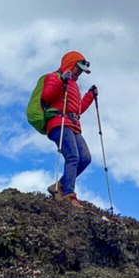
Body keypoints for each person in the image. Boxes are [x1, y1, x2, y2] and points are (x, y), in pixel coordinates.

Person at [42, 52, 97, 203]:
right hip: (58, 123)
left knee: (85, 158)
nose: (79, 72)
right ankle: (68, 194)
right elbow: (46, 97)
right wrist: (62, 82)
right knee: (73, 156)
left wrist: (90, 96)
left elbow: (78, 109)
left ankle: (59, 186)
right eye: (77, 68)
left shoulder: (74, 85)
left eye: (81, 70)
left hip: (73, 125)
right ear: (70, 64)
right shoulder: (54, 78)